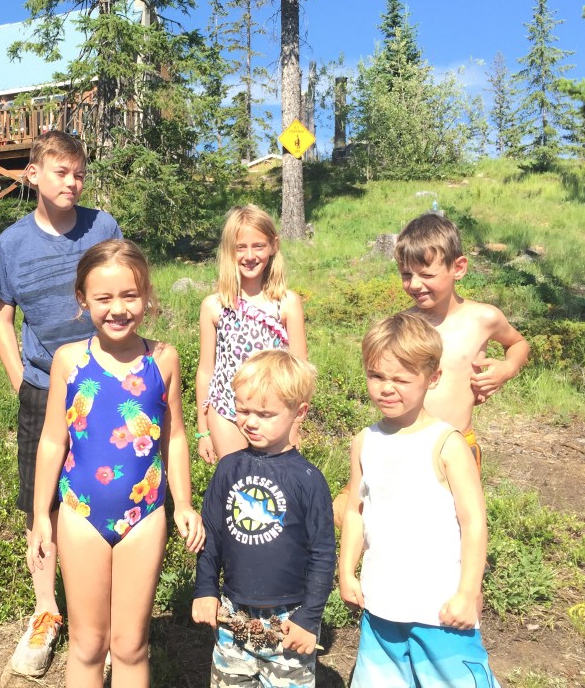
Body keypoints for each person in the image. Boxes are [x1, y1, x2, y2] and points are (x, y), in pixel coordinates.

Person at [29, 239, 205, 687]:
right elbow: (52, 441)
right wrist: (40, 517)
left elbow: (176, 435)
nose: (118, 308)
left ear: (146, 295)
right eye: (104, 298)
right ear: (83, 299)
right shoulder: (69, 362)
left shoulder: (162, 359)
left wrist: (182, 503)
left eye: (130, 295)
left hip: (144, 516)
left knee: (130, 645)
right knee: (88, 645)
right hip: (79, 513)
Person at [0, 130, 122, 678]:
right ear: (33, 175)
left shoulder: (102, 228)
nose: (72, 182)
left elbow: (123, 291)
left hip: (104, 383)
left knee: (107, 489)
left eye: (79, 173)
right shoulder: (11, 244)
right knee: (40, 501)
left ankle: (106, 620)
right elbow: (1, 317)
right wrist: (22, 379)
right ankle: (47, 611)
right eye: (61, 172)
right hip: (43, 387)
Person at [332, 212, 529, 524]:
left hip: (456, 444)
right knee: (396, 518)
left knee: (457, 520)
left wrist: (506, 369)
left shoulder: (483, 318)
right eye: (406, 275)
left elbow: (518, 344)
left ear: (458, 268)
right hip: (405, 439)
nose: (415, 284)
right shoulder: (405, 326)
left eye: (426, 274)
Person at [338, 312, 500, 688]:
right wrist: (347, 571)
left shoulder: (448, 443)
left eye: (401, 379)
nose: (386, 388)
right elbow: (355, 512)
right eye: (376, 376)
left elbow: (473, 521)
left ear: (433, 377)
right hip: (381, 608)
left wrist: (468, 592)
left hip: (440, 611)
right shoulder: (365, 441)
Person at [192, 350, 335, 688]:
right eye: (243, 410)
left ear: (299, 412)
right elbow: (210, 534)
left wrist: (309, 618)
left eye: (265, 413)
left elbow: (322, 554)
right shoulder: (228, 468)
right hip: (232, 615)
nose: (250, 421)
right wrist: (205, 589)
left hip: (289, 620)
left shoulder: (308, 479)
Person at [196, 205, 308, 464]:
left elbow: (300, 369)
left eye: (258, 246)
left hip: (275, 411)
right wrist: (203, 430)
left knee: (276, 480)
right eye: (240, 247)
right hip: (226, 410)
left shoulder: (286, 303)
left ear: (273, 246)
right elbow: (205, 370)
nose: (249, 255)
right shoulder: (215, 306)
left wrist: (295, 424)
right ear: (228, 251)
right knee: (236, 480)